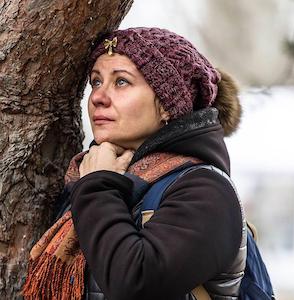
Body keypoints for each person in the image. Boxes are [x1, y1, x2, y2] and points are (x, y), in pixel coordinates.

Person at [23, 27, 246, 300]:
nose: (97, 97)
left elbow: (137, 285)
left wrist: (96, 187)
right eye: (95, 81)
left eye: (121, 82)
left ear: (167, 104)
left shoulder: (205, 190)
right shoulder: (93, 175)